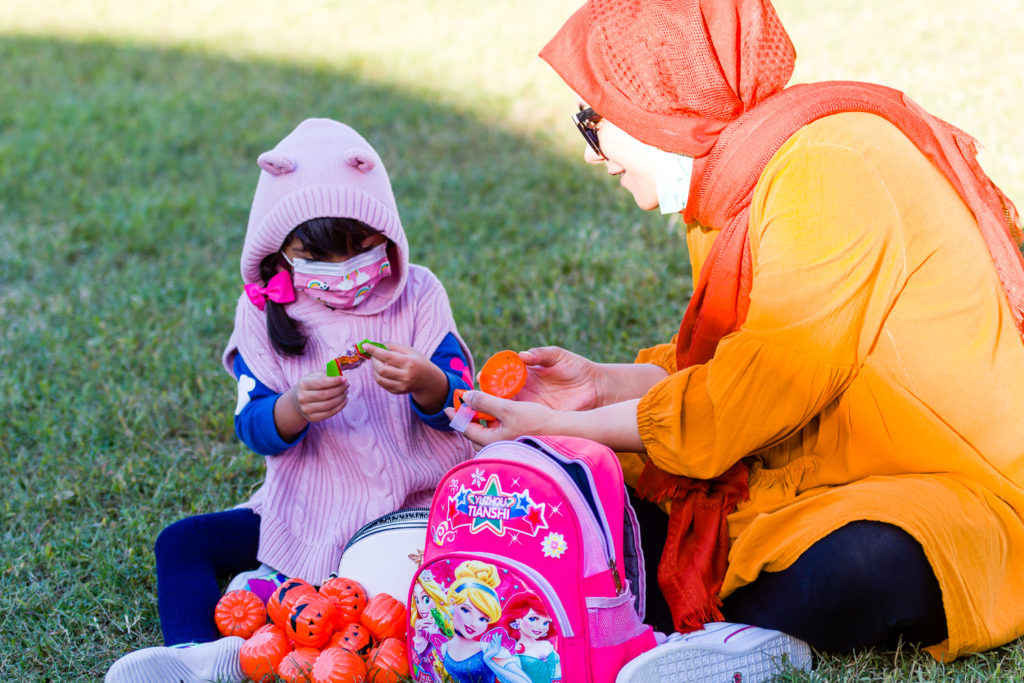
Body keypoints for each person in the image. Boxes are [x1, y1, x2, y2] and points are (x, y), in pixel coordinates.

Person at [453, 0, 1024, 677]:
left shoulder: (826, 170)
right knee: (633, 493)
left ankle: (710, 623)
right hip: (824, 462)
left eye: (594, 121)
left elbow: (756, 388)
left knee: (861, 566)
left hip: (947, 485)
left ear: (662, 100)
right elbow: (726, 364)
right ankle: (704, 611)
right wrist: (599, 385)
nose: (589, 150)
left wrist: (552, 422)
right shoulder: (737, 177)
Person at [106, 118, 475, 683]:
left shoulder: (419, 294)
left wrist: (426, 381)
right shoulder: (261, 311)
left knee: (385, 604)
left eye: (360, 248)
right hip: (308, 505)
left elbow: (462, 404)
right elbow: (252, 424)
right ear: (280, 253)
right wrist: (294, 408)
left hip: (416, 509)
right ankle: (200, 657)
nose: (342, 269)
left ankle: (286, 603)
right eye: (317, 256)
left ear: (386, 233)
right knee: (182, 543)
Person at [500, 592, 561, 683]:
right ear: (517, 619)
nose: (540, 626)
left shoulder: (547, 645)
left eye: (546, 623)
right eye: (533, 619)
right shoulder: (511, 651)